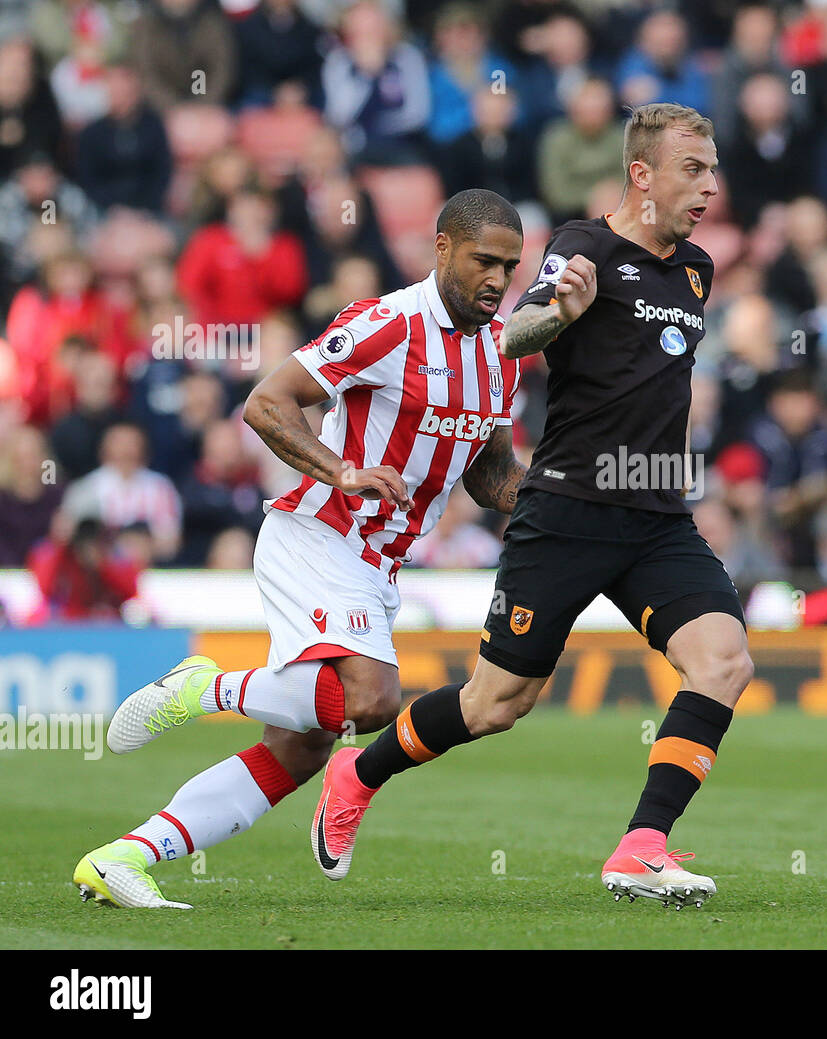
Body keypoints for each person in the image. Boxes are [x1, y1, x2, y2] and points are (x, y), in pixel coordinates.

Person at [313, 103, 752, 909]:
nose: (709, 187)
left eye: (713, 170)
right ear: (641, 174)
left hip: (657, 517)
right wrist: (561, 313)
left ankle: (640, 845)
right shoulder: (583, 248)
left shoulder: (696, 269)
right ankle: (357, 770)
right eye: (693, 170)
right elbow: (516, 335)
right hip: (569, 510)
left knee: (724, 660)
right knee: (496, 705)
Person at [72, 189, 527, 909]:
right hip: (318, 532)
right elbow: (266, 401)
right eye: (484, 261)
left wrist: (563, 501)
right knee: (371, 698)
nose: (498, 279)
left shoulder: (501, 356)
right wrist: (341, 469)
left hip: (377, 565)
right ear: (442, 249)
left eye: (510, 264)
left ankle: (125, 857)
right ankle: (206, 688)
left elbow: (490, 472)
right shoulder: (389, 322)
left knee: (302, 747)